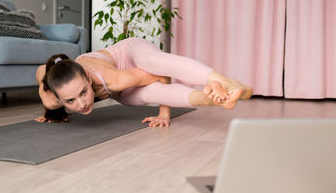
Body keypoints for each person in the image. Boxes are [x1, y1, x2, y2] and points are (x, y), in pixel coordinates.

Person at [34, 38, 253, 127]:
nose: (81, 104)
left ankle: (226, 82)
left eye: (83, 92)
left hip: (129, 53)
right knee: (145, 95)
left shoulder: (115, 78)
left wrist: (164, 114)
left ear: (88, 79)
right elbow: (41, 71)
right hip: (119, 91)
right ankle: (216, 98)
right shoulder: (52, 96)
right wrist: (53, 114)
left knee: (153, 62)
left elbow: (161, 74)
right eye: (70, 101)